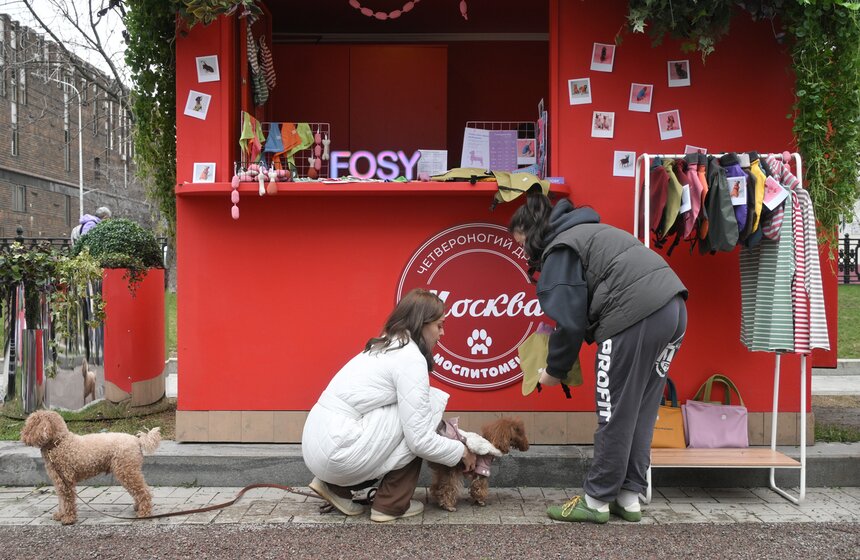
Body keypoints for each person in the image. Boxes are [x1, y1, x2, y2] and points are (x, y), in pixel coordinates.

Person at [508, 188, 688, 524]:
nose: (523, 253)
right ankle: (628, 497)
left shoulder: (559, 249)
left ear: (532, 234)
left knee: (613, 410)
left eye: (521, 244)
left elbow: (571, 324)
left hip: (634, 315)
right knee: (640, 410)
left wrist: (553, 371)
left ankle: (596, 499)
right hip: (674, 310)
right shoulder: (586, 230)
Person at [301, 289, 477, 522]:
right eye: (439, 325)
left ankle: (335, 489)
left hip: (318, 445)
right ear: (421, 324)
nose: (442, 333)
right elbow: (420, 440)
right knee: (426, 410)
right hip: (339, 449)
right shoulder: (410, 358)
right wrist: (461, 452)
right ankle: (391, 504)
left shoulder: (384, 346)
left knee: (411, 413)